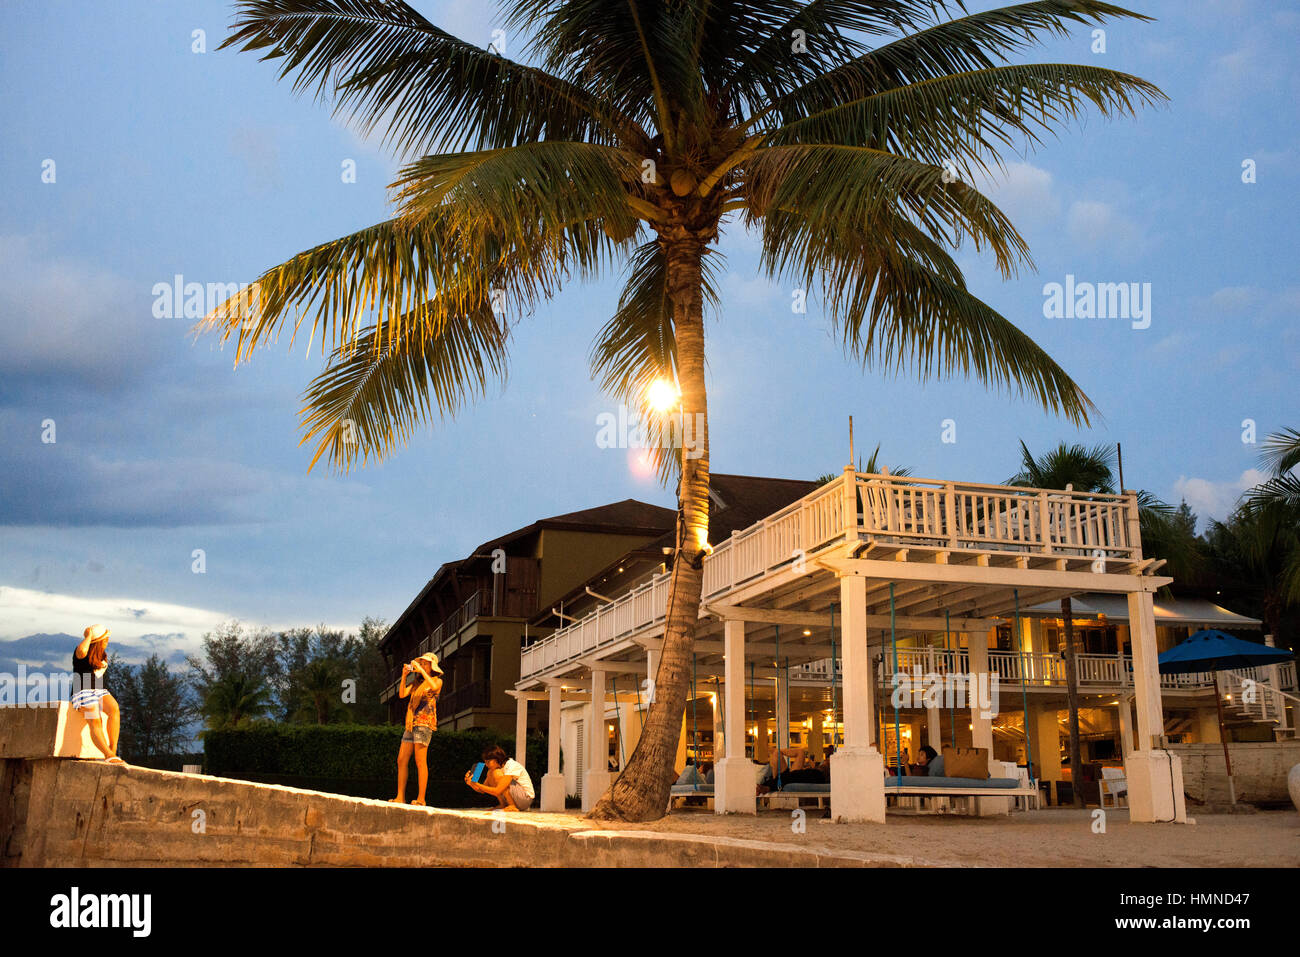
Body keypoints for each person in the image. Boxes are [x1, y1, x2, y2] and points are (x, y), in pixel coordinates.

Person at [391, 653, 442, 805]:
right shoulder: (416, 684)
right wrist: (404, 676)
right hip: (411, 723)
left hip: (424, 723)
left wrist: (422, 671)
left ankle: (421, 799)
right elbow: (402, 694)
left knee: (420, 761)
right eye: (422, 663)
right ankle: (400, 797)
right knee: (401, 760)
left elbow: (434, 688)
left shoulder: (437, 681)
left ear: (432, 666)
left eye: (426, 664)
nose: (423, 666)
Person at [72, 626, 124, 764]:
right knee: (95, 720)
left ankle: (112, 751)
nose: (107, 642)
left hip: (98, 690)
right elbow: (82, 650)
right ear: (98, 640)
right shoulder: (82, 652)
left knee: (114, 709)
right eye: (105, 639)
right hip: (82, 690)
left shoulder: (101, 655)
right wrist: (88, 636)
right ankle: (107, 755)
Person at [465, 745, 535, 811]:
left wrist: (476, 783)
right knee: (491, 773)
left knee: (496, 773)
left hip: (525, 799)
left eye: (488, 762)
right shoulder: (493, 770)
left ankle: (512, 806)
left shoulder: (511, 765)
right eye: (485, 762)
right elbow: (483, 789)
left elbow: (497, 791)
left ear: (497, 759)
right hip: (516, 797)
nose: (486, 765)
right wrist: (471, 783)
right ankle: (504, 805)